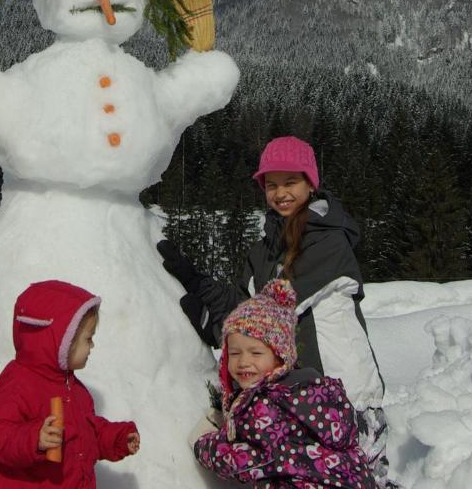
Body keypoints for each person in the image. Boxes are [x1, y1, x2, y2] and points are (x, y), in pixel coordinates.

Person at [158, 135, 391, 486]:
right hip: (298, 395)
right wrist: (199, 283)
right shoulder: (263, 250)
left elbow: (266, 313)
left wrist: (221, 321)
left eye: (291, 182)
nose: (281, 192)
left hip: (344, 397)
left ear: (311, 183)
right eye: (271, 185)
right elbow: (246, 307)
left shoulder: (328, 240)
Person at [193, 278, 375, 488]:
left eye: (256, 352)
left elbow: (249, 460)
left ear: (280, 357)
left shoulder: (265, 406)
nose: (243, 362)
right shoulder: (311, 392)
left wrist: (205, 445)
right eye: (234, 353)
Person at [0, 280, 141, 488]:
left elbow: (85, 435)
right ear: (64, 340)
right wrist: (34, 439)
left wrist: (116, 438)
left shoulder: (74, 389)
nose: (92, 345)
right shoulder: (17, 384)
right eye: (88, 339)